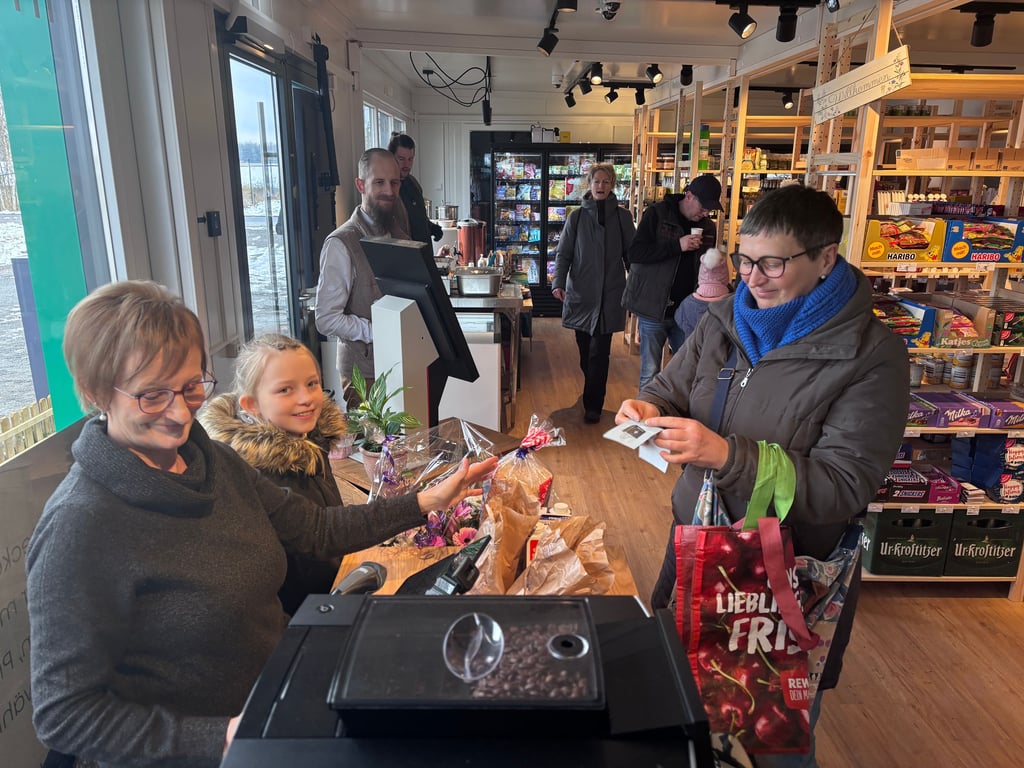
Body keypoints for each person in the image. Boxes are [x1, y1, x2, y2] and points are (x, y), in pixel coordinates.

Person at [26, 280, 497, 768]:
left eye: (191, 387)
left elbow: (316, 530)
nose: (177, 412)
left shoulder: (218, 465)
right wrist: (220, 739)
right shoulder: (80, 526)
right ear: (98, 393)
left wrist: (427, 500)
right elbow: (66, 713)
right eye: (151, 396)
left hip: (276, 710)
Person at [614, 185, 908, 766]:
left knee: (767, 736)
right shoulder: (723, 320)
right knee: (680, 706)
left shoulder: (871, 355)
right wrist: (647, 405)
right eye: (745, 259)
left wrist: (727, 457)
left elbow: (844, 486)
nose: (753, 277)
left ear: (826, 258)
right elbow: (672, 387)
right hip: (695, 545)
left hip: (783, 577)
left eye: (773, 262)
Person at [199, 333, 348, 616]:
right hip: (299, 617)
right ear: (251, 405)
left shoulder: (309, 441)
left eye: (312, 383)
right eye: (285, 390)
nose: (306, 398)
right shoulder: (259, 474)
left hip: (331, 592)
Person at [315, 148, 409, 407]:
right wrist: (377, 332)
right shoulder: (341, 243)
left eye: (394, 182)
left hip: (401, 362)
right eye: (379, 182)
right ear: (360, 184)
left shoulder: (398, 232)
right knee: (369, 446)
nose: (389, 191)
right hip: (364, 372)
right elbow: (325, 318)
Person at [550, 162, 635, 424]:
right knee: (585, 350)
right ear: (589, 184)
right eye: (597, 182)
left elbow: (631, 255)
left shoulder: (622, 217)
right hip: (582, 293)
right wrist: (558, 282)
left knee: (600, 352)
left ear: (612, 186)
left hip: (610, 293)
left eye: (606, 182)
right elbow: (563, 254)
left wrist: (636, 287)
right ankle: (591, 386)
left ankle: (593, 405)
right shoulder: (576, 217)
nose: (601, 186)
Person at [623, 174, 722, 391]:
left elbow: (705, 267)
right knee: (650, 372)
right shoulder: (657, 214)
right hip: (653, 307)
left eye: (710, 209)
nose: (705, 213)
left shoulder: (708, 227)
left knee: (688, 370)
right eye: (703, 207)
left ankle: (676, 418)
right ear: (689, 196)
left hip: (688, 310)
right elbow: (636, 254)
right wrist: (677, 246)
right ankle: (646, 422)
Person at [387, 132, 443, 244]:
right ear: (391, 157)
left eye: (410, 159)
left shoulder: (413, 183)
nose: (407, 165)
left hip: (424, 251)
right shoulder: (387, 189)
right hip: (405, 253)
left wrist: (431, 227)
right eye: (401, 159)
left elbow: (419, 217)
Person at [673, 246, 731, 337]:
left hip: (692, 350)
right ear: (725, 276)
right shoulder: (732, 306)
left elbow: (679, 321)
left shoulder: (687, 303)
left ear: (701, 275)